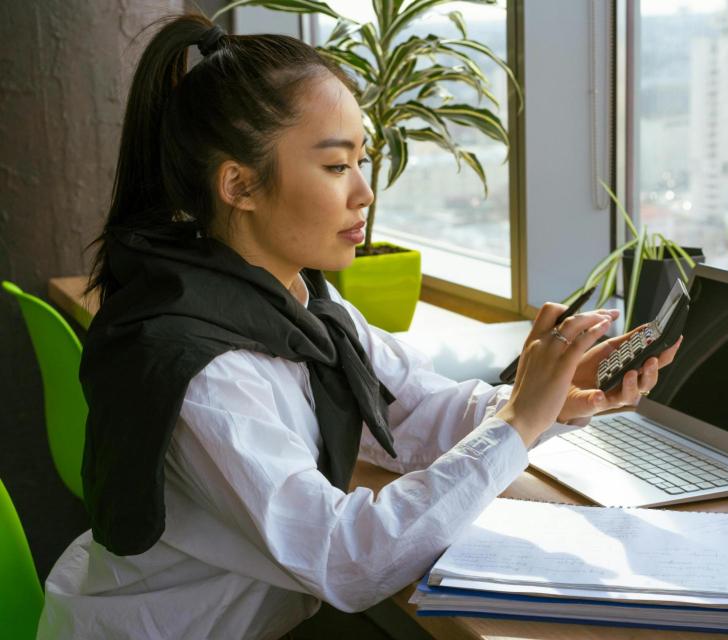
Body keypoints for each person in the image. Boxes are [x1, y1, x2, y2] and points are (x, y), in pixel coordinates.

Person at [37, 14, 680, 640]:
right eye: (337, 165)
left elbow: (412, 409)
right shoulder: (207, 370)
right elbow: (347, 559)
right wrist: (517, 423)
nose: (365, 192)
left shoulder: (298, 300)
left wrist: (550, 398)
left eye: (361, 161)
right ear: (239, 184)